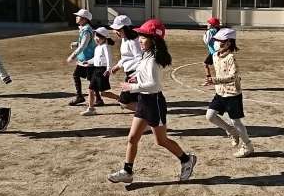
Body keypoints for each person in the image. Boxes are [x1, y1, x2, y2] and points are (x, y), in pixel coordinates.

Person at [108, 19, 197, 184]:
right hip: (143, 101)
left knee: (161, 140)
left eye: (144, 37)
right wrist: (136, 77)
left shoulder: (153, 59)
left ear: (153, 40)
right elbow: (143, 72)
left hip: (154, 103)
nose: (140, 40)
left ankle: (186, 160)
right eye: (140, 36)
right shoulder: (146, 54)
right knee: (132, 138)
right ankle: (127, 171)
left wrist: (131, 87)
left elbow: (154, 85)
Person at [204, 27, 254, 158]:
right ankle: (231, 130)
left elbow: (234, 76)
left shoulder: (231, 57)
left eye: (220, 41)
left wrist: (215, 80)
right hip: (220, 93)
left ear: (229, 43)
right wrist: (209, 77)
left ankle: (248, 146)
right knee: (210, 116)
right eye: (216, 40)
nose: (217, 43)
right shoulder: (214, 55)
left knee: (236, 121)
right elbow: (206, 63)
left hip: (232, 94)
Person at [67, 9, 103, 107]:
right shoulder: (85, 29)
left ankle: (85, 97)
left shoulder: (86, 30)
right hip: (85, 58)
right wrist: (76, 44)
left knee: (88, 78)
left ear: (84, 19)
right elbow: (85, 43)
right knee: (85, 77)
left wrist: (73, 55)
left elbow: (83, 45)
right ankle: (94, 98)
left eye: (78, 16)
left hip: (88, 59)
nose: (76, 17)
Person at [108, 15, 142, 111]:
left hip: (135, 74)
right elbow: (125, 57)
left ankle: (146, 112)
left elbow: (140, 58)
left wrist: (136, 76)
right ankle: (144, 113)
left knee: (124, 102)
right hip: (130, 74)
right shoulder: (125, 39)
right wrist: (118, 66)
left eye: (119, 30)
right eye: (115, 30)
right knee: (136, 99)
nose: (116, 32)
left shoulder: (133, 41)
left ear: (127, 29)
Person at [81, 27, 114, 116]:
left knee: (103, 93)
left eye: (98, 37)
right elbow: (95, 59)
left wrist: (108, 69)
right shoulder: (97, 48)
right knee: (90, 89)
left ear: (104, 37)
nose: (96, 38)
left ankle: (119, 99)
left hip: (103, 70)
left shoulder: (105, 46)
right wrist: (88, 62)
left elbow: (109, 58)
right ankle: (91, 109)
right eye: (95, 36)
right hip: (96, 70)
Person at [203, 17, 221, 82]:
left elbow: (206, 41)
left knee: (205, 64)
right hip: (219, 50)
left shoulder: (210, 31)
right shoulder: (219, 30)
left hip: (213, 52)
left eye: (209, 23)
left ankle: (209, 80)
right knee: (219, 66)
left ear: (212, 25)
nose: (208, 24)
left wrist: (205, 34)